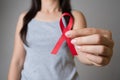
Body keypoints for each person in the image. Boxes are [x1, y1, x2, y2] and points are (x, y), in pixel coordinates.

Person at [8, 0, 114, 80]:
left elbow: (80, 53)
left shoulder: (74, 17)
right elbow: (17, 61)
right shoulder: (25, 18)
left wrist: (95, 55)